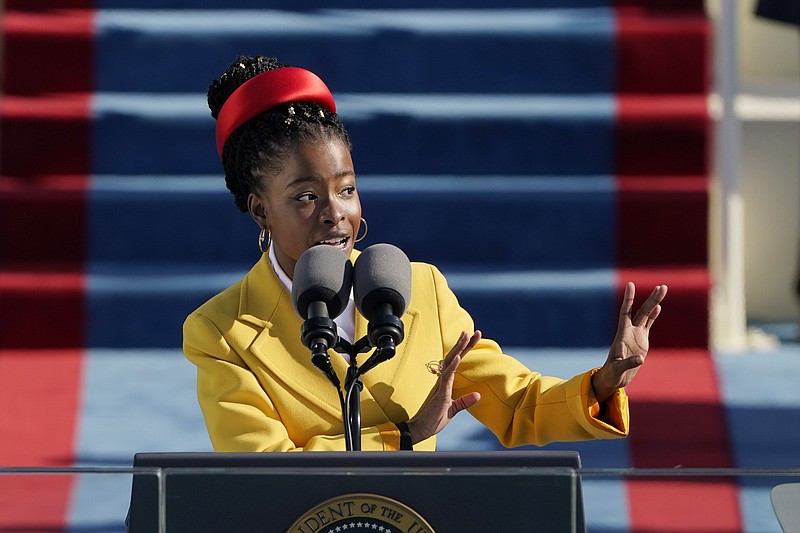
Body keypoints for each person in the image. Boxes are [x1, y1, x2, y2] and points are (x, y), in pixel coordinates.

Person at [183, 55, 668, 452]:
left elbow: (517, 405)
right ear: (260, 210)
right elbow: (262, 475)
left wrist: (603, 385)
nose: (336, 214)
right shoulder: (222, 332)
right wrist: (406, 437)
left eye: (346, 189)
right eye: (306, 196)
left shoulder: (420, 291)